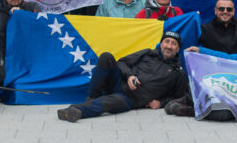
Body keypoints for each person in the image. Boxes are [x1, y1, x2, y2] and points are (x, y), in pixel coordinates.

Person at [55, 31, 187, 122]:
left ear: (178, 49)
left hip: (129, 99)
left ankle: (76, 111)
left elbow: (179, 97)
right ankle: (90, 99)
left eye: (173, 43)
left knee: (107, 103)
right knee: (106, 57)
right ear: (161, 43)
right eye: (167, 42)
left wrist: (160, 103)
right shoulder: (148, 53)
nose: (169, 46)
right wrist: (130, 76)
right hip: (118, 83)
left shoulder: (178, 72)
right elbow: (122, 63)